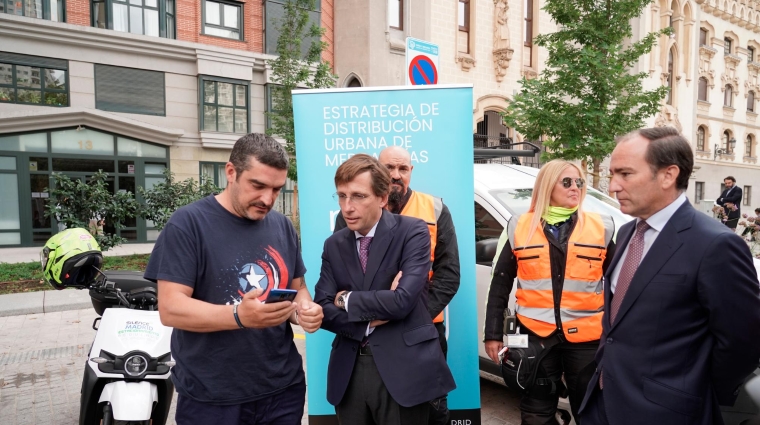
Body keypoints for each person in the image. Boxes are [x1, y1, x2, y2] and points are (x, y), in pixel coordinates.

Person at [579, 127, 760, 425]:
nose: (613, 186)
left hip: (667, 414)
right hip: (602, 402)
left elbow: (742, 343)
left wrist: (689, 390)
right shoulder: (627, 233)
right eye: (613, 174)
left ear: (668, 175)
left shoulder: (715, 244)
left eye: (625, 174)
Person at [144, 133, 323, 425]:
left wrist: (305, 310)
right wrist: (239, 315)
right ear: (231, 172)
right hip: (212, 398)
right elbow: (170, 308)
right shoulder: (188, 224)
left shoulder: (282, 226)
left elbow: (297, 288)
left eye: (277, 189)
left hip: (283, 390)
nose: (268, 199)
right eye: (258, 185)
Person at [314, 154, 456, 425]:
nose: (347, 207)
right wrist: (377, 314)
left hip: (405, 369)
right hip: (350, 372)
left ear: (381, 197)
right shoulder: (334, 244)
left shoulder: (412, 231)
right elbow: (323, 307)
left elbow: (402, 301)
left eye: (358, 196)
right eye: (341, 196)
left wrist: (345, 299)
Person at [483, 159, 616, 425]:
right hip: (535, 335)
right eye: (566, 182)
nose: (575, 187)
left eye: (579, 182)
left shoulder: (602, 227)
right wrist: (493, 335)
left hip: (586, 339)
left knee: (591, 412)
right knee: (536, 412)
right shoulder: (519, 227)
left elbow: (617, 286)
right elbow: (499, 284)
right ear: (547, 186)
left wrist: (617, 335)